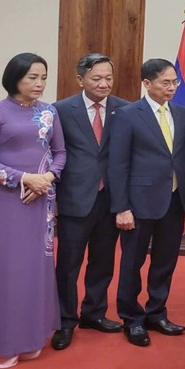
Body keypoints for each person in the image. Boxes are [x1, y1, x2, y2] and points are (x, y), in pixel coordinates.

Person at [0, 53, 66, 368]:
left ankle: (30, 338)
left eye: (43, 77)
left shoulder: (49, 112)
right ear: (15, 78)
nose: (39, 84)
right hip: (6, 201)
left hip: (41, 200)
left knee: (35, 269)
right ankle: (1, 343)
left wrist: (47, 179)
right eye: (32, 78)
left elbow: (60, 153)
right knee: (8, 270)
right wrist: (24, 179)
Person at [109, 58, 185, 347]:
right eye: (165, 83)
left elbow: (183, 159)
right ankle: (131, 319)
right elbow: (118, 164)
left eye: (175, 82)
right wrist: (121, 207)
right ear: (147, 84)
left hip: (172, 199)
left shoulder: (182, 114)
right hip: (138, 202)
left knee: (165, 261)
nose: (172, 87)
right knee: (132, 263)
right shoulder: (127, 114)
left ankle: (156, 313)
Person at [50, 54, 129, 350]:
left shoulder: (124, 109)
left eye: (108, 77)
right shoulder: (60, 110)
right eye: (97, 78)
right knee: (68, 265)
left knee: (103, 260)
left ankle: (94, 313)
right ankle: (64, 320)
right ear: (80, 79)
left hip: (110, 197)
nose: (104, 84)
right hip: (74, 198)